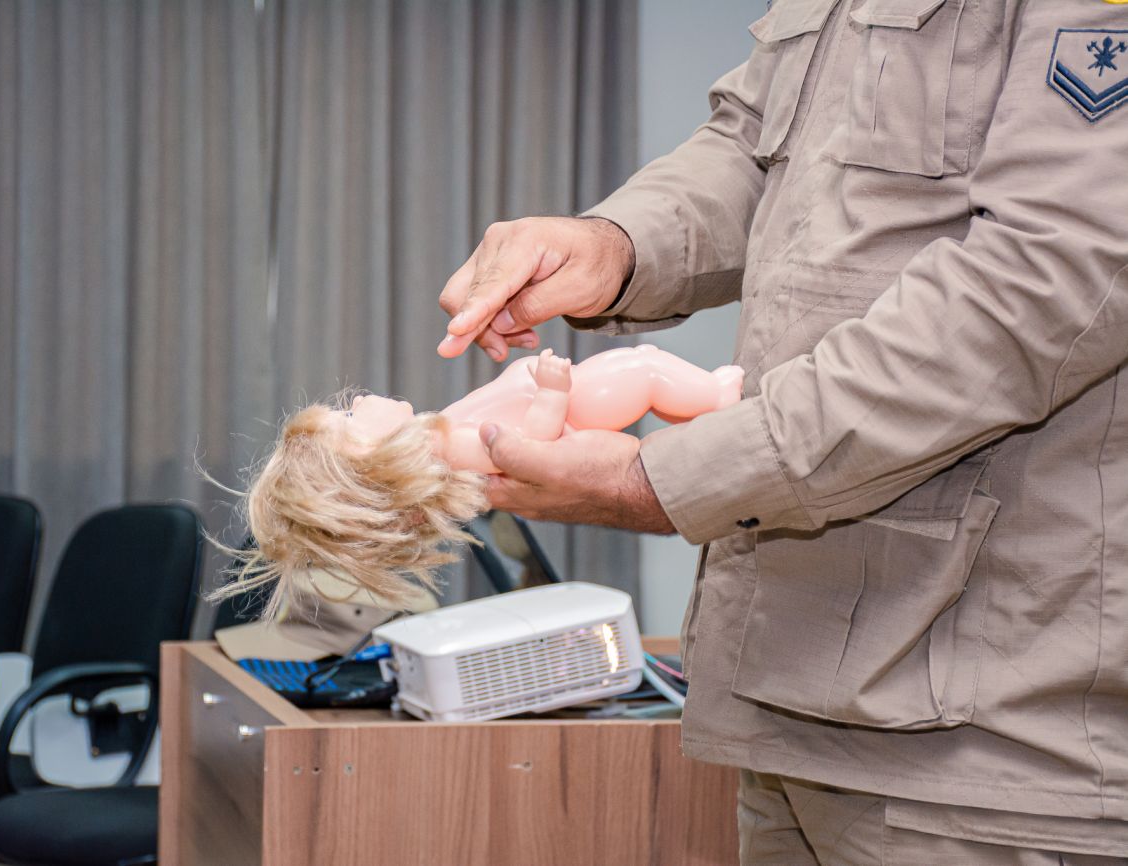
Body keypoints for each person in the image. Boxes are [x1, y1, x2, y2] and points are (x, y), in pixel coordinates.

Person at [437, 2, 1128, 863]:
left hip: (985, 746)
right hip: (796, 697)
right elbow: (756, 146)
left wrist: (674, 479)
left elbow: (1050, 275)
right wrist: (616, 244)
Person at [224, 347, 741, 617]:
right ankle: (717, 398)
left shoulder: (440, 441)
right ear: (373, 460)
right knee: (645, 369)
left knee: (645, 373)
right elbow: (529, 445)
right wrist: (553, 393)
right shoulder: (452, 451)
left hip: (578, 397)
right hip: (582, 399)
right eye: (350, 418)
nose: (356, 400)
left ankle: (710, 403)